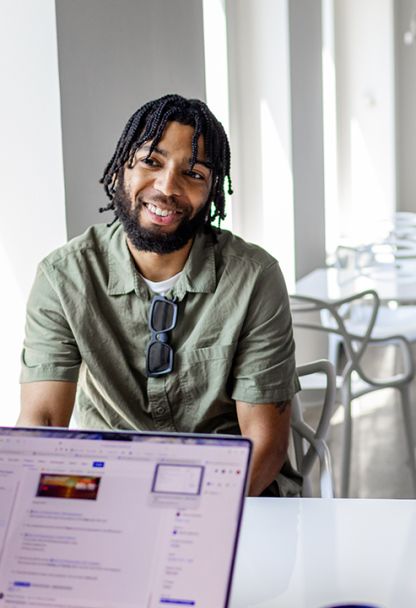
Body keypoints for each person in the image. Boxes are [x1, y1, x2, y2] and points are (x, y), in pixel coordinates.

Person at [19, 94, 301, 497]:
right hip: (111, 493)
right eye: (152, 161)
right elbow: (41, 424)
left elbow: (265, 445)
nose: (168, 186)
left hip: (235, 494)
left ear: (211, 192)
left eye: (195, 173)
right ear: (121, 169)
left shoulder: (253, 277)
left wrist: (187, 525)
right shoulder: (64, 277)